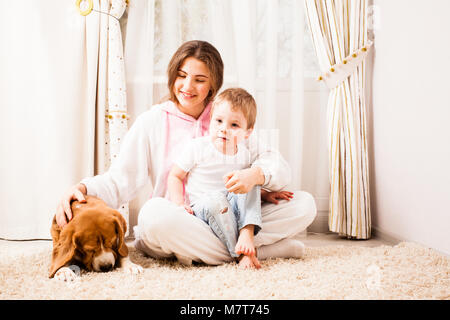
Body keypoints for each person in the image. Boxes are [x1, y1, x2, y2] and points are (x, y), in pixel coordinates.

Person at [55, 40, 317, 266]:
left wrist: (256, 175)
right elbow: (119, 179)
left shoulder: (228, 116)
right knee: (152, 216)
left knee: (304, 204)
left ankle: (218, 252)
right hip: (182, 221)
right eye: (181, 75)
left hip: (231, 219)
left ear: (213, 84)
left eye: (199, 79)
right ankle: (257, 250)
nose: (187, 86)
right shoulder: (152, 121)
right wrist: (82, 188)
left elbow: (277, 165)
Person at [168, 88, 278, 269]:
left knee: (251, 179)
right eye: (218, 121)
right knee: (216, 198)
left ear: (247, 132)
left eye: (234, 125)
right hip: (204, 207)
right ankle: (241, 254)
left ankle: (247, 233)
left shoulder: (244, 153)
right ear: (210, 121)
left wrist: (265, 195)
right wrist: (179, 203)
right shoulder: (198, 147)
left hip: (232, 208)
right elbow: (175, 176)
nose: (223, 129)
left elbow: (244, 193)